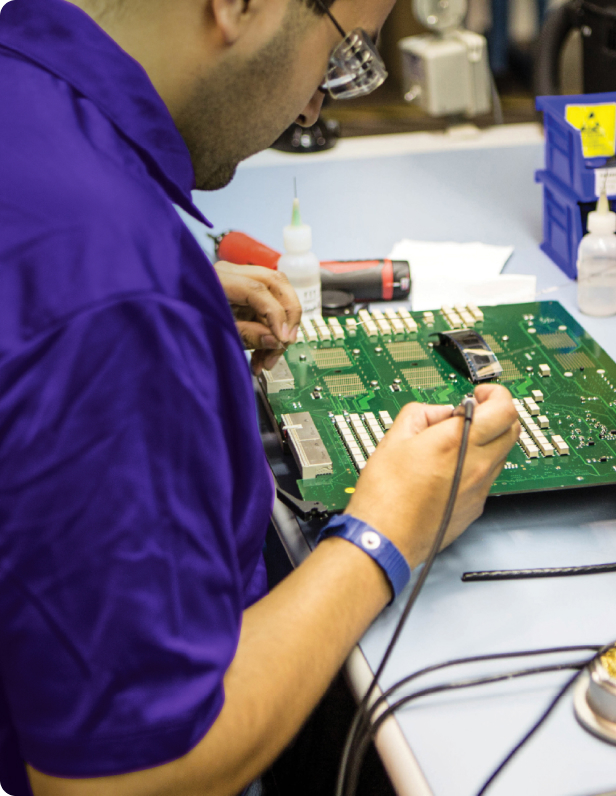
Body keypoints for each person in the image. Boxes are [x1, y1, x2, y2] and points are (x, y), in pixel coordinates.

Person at [0, 1, 520, 794]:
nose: (317, 102)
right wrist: (386, 534)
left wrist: (172, 285)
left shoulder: (25, 94)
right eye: (343, 52)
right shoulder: (111, 285)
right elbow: (129, 779)